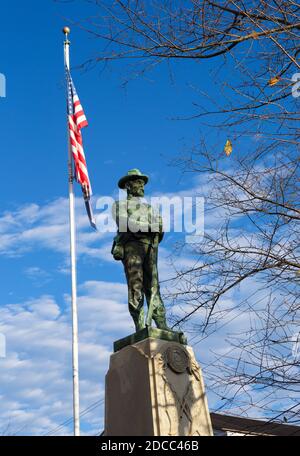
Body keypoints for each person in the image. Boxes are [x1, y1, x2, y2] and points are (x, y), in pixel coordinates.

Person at [112, 168, 170, 332]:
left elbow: (160, 227)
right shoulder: (119, 205)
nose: (142, 186)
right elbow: (126, 224)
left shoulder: (150, 208)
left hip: (150, 247)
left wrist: (153, 229)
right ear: (129, 186)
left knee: (153, 286)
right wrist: (150, 228)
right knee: (135, 285)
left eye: (143, 183)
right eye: (138, 183)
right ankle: (140, 325)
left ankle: (161, 324)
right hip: (132, 248)